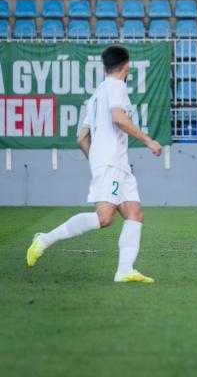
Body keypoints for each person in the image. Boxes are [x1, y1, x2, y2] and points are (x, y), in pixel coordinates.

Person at [26, 45, 162, 283]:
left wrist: (96, 160)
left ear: (104, 68)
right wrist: (148, 140)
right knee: (104, 218)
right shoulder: (117, 86)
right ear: (126, 67)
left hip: (115, 163)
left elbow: (81, 138)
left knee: (134, 214)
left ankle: (125, 270)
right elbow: (119, 118)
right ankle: (44, 239)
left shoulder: (96, 95)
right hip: (112, 162)